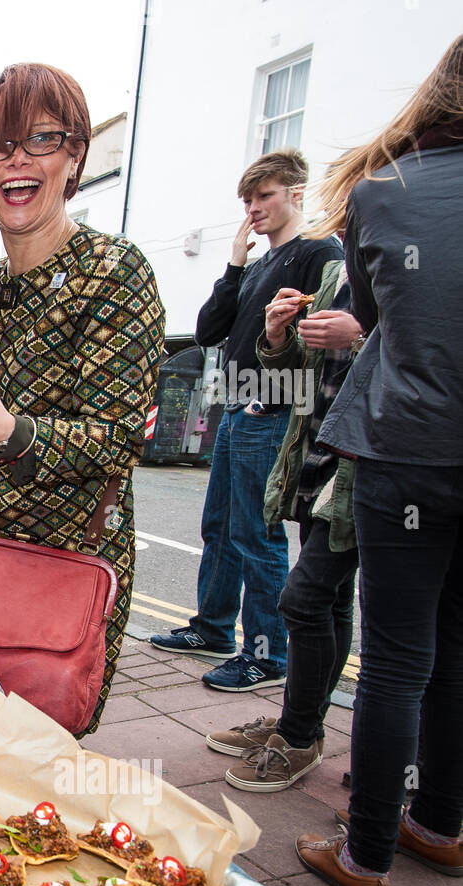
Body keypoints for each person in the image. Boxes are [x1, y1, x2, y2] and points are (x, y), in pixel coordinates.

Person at [0, 62, 165, 736]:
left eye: (41, 140)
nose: (16, 162)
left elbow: (119, 439)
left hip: (57, 583)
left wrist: (7, 429)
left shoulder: (115, 272)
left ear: (76, 155)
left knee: (36, 774)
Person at [296, 35, 463, 886]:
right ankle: (439, 823)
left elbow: (368, 315)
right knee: (458, 646)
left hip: (410, 449)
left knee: (397, 657)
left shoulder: (385, 192)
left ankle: (365, 856)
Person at [150, 149, 343, 691]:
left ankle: (267, 655)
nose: (254, 208)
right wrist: (235, 264)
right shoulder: (259, 264)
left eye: (265, 196)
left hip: (272, 406)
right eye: (248, 200)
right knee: (221, 528)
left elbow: (320, 343)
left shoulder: (321, 252)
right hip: (238, 406)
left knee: (258, 536)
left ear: (296, 194)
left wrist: (273, 400)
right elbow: (210, 328)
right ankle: (213, 629)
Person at [209, 257, 365, 791]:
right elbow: (303, 378)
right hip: (320, 459)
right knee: (332, 601)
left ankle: (300, 735)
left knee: (303, 599)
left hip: (372, 466)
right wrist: (276, 339)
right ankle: (303, 725)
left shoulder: (416, 264)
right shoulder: (335, 275)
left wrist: (362, 335)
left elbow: (422, 353)